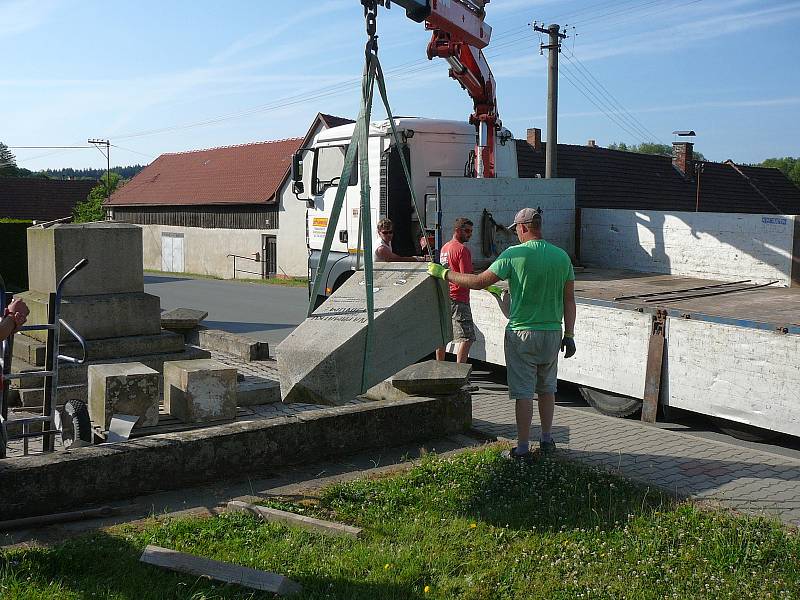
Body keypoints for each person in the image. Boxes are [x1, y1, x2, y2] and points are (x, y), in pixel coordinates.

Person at [428, 207, 576, 458]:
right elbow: (569, 300)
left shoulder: (513, 255)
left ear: (523, 228)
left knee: (524, 393)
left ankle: (521, 448)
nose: (516, 234)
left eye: (516, 230)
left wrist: (444, 273)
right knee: (547, 389)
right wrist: (569, 335)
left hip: (522, 333)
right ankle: (548, 441)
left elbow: (478, 282)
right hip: (553, 332)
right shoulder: (561, 256)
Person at [435, 217, 477, 364]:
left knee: (443, 336)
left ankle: (440, 367)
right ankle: (460, 373)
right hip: (459, 297)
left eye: (471, 231)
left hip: (446, 296)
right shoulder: (462, 250)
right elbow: (466, 277)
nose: (470, 234)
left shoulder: (445, 248)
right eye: (467, 231)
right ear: (457, 230)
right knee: (467, 337)